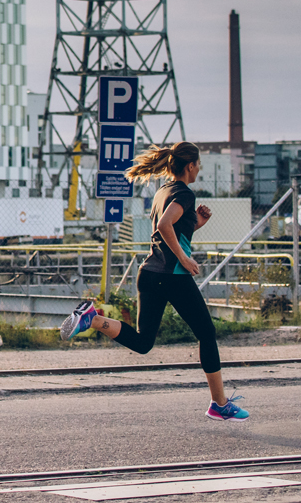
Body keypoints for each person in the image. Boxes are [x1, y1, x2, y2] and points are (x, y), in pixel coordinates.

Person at [59, 140, 249, 421]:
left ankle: (94, 319)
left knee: (143, 342)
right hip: (172, 276)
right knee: (207, 333)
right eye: (198, 165)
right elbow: (164, 226)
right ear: (190, 165)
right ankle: (219, 404)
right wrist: (184, 258)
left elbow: (170, 230)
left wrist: (195, 223)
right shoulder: (184, 193)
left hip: (150, 274)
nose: (199, 170)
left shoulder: (163, 191)